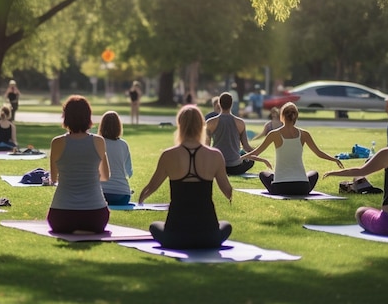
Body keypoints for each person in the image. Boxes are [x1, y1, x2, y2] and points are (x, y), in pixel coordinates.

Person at [138, 104, 233, 249]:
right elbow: (227, 190)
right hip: (208, 236)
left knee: (154, 226)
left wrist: (142, 198)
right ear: (202, 125)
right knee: (226, 226)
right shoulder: (215, 156)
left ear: (179, 125)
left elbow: (152, 186)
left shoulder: (168, 155)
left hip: (175, 236)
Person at [243, 102, 344, 195]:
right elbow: (318, 153)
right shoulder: (304, 134)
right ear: (296, 116)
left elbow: (256, 152)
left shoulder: (274, 134)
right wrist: (334, 159)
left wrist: (242, 157)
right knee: (314, 174)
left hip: (280, 187)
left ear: (282, 116)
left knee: (263, 174)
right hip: (302, 187)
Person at [47, 95, 111, 234]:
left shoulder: (57, 142)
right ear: (88, 117)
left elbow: (53, 178)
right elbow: (105, 176)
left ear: (66, 117)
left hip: (62, 216)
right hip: (95, 217)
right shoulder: (99, 142)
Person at [205, 92, 268, 175]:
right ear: (231, 104)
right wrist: (257, 153)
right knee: (250, 160)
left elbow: (206, 146)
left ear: (219, 104)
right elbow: (246, 147)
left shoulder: (210, 122)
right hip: (235, 167)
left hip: (217, 166)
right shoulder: (240, 123)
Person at [98, 110, 133, 206]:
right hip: (123, 195)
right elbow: (129, 172)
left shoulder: (97, 142)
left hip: (101, 194)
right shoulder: (123, 144)